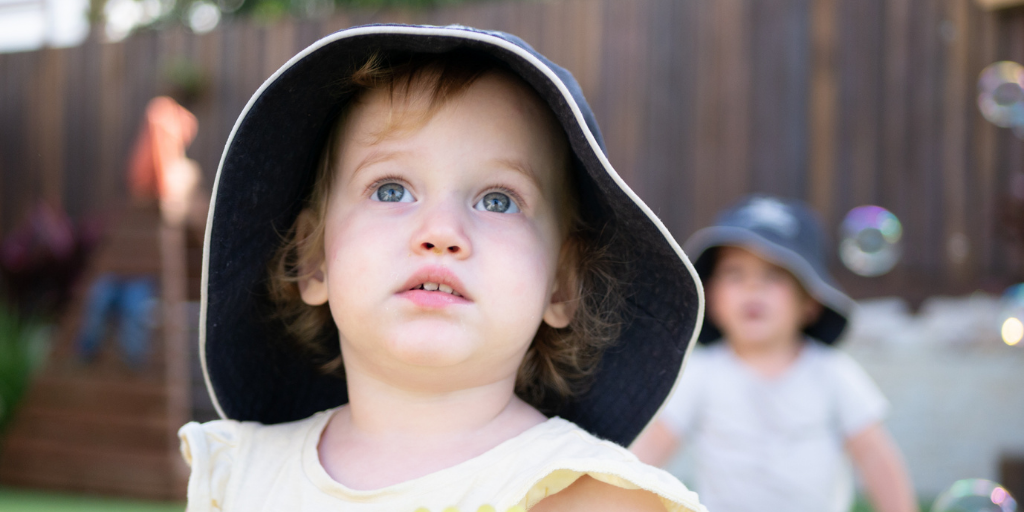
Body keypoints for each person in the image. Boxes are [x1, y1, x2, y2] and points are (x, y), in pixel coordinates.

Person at [178, 25, 709, 512]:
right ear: (314, 259)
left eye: (498, 200)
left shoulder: (586, 495)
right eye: (391, 189)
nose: (442, 232)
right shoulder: (240, 478)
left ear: (562, 284)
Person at [631, 195, 918, 512]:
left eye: (774, 275)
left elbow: (877, 459)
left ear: (810, 300)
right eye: (735, 274)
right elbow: (648, 454)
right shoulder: (703, 373)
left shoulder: (831, 371)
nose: (753, 287)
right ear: (711, 297)